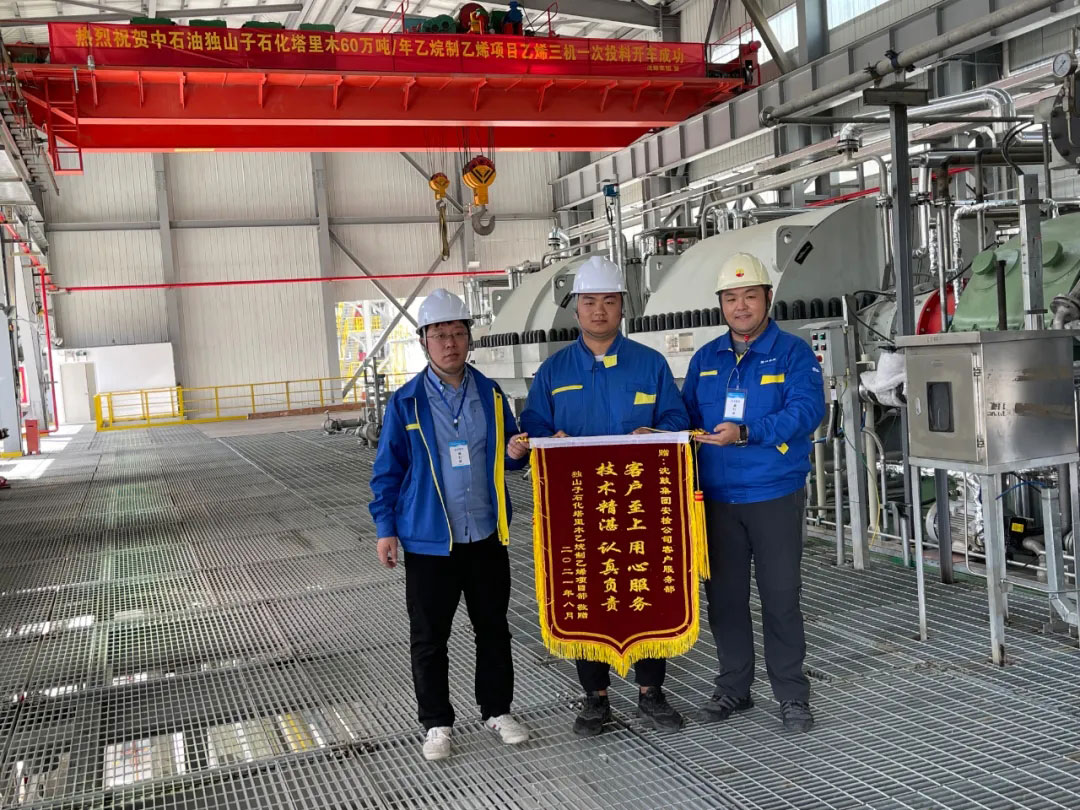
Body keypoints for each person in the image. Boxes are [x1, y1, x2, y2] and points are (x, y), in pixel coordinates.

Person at [520, 256, 691, 736]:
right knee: (584, 592)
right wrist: (540, 438)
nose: (599, 311)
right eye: (590, 302)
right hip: (578, 507)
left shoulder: (650, 365)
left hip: (638, 504)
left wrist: (656, 430)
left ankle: (651, 691)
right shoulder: (554, 371)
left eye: (609, 301)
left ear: (623, 307)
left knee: (645, 587)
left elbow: (676, 420)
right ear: (576, 309)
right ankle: (594, 697)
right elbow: (532, 426)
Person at [369, 288, 532, 761]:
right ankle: (436, 722)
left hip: (485, 534)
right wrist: (385, 528)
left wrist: (515, 454)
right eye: (439, 335)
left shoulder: (490, 392)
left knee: (493, 628)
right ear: (424, 341)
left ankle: (497, 710)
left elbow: (507, 456)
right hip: (429, 541)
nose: (449, 343)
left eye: (457, 333)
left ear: (469, 338)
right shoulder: (406, 402)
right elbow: (387, 471)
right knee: (429, 638)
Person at [681, 252, 825, 733]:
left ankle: (791, 693)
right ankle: (734, 688)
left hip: (773, 493)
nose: (740, 306)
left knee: (780, 596)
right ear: (720, 304)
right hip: (717, 499)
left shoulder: (793, 353)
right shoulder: (706, 360)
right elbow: (684, 418)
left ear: (767, 298)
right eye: (730, 298)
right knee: (724, 599)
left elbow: (807, 410)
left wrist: (746, 433)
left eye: (749, 296)